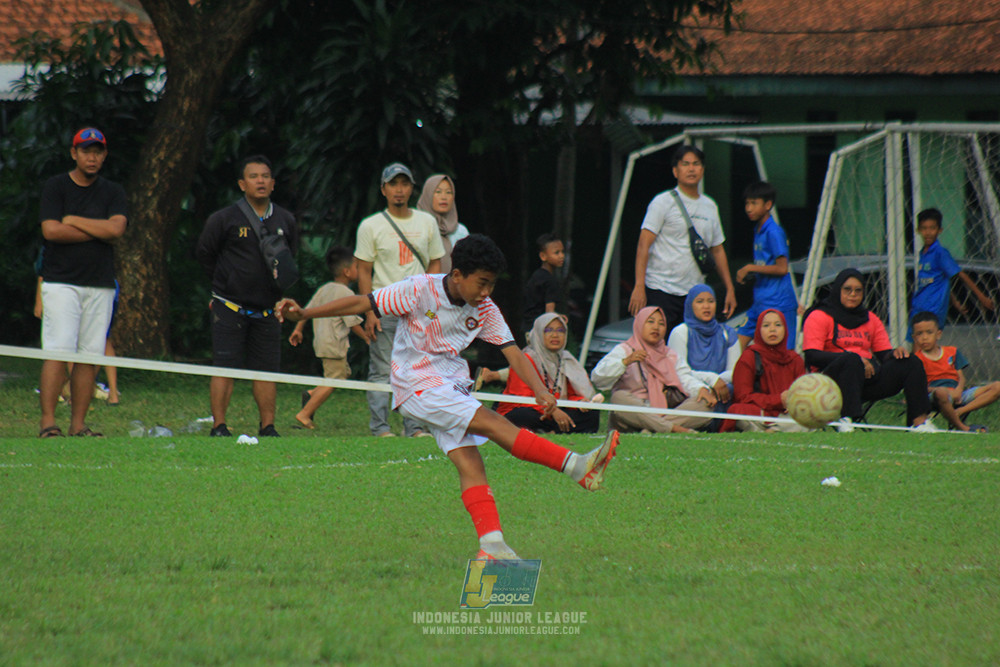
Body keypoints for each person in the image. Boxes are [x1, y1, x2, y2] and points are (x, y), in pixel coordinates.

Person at [276, 234, 619, 560]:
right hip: (416, 384)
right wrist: (305, 314)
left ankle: (492, 546)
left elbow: (513, 352)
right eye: (481, 283)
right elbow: (362, 302)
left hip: (452, 385)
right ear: (457, 275)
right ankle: (576, 466)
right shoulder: (418, 289)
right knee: (494, 422)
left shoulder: (485, 309)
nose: (486, 291)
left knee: (471, 462)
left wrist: (542, 391)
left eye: (492, 284)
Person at [195, 155, 299, 438]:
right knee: (224, 366)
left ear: (273, 183)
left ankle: (268, 426)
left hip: (267, 309)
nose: (260, 181)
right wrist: (223, 286)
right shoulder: (224, 219)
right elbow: (205, 253)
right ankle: (219, 426)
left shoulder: (286, 220)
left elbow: (289, 259)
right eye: (253, 177)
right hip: (229, 306)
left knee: (266, 370)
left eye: (265, 176)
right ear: (242, 184)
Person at [37, 127, 127, 438]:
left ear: (104, 155)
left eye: (97, 151)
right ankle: (48, 422)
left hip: (100, 284)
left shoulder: (113, 192)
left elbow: (116, 230)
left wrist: (74, 221)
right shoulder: (56, 187)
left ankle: (78, 424)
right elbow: (51, 231)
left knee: (90, 355)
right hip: (61, 282)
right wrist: (99, 231)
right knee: (58, 351)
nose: (92, 157)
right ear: (74, 153)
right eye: (86, 151)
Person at [355, 163, 445, 437]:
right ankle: (380, 428)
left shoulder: (427, 222)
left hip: (417, 309)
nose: (399, 190)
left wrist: (428, 301)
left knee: (416, 369)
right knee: (382, 369)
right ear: (383, 189)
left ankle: (415, 427)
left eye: (405, 184)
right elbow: (364, 270)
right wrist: (369, 311)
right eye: (393, 184)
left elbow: (436, 262)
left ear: (412, 189)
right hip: (383, 307)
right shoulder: (370, 225)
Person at [801, 268, 935, 431]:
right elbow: (812, 355)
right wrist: (855, 358)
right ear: (837, 290)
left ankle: (919, 422)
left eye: (858, 291)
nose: (853, 294)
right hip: (831, 382)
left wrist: (895, 353)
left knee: (910, 361)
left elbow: (883, 354)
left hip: (866, 379)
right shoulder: (819, 316)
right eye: (847, 289)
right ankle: (847, 419)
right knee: (851, 359)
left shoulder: (870, 319)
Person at [629, 144, 736, 333]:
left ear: (702, 169)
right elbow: (643, 245)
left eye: (696, 164)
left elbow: (717, 249)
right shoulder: (662, 202)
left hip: (694, 293)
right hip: (660, 289)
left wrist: (730, 288)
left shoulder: (710, 206)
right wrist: (639, 286)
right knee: (658, 343)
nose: (691, 168)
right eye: (685, 164)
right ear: (675, 171)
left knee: (690, 346)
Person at [591, 306, 715, 433]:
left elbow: (685, 377)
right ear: (639, 324)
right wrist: (625, 362)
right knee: (619, 397)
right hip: (633, 415)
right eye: (650, 322)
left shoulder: (669, 355)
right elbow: (598, 378)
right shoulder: (625, 350)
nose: (656, 327)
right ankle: (672, 428)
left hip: (665, 410)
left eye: (661, 324)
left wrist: (700, 389)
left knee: (704, 403)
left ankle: (653, 429)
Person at [288, 246, 370, 430]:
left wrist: (298, 329)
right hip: (334, 343)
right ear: (347, 272)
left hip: (322, 342)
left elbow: (306, 311)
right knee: (335, 379)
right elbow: (352, 322)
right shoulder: (346, 294)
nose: (359, 271)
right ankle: (304, 414)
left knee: (342, 373)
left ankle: (312, 394)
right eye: (356, 267)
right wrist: (366, 337)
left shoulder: (324, 289)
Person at [496, 313, 602, 434]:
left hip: (555, 410)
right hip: (531, 408)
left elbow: (570, 395)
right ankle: (555, 429)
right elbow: (522, 398)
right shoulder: (525, 359)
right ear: (538, 334)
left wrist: (579, 402)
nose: (555, 335)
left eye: (560, 330)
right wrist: (552, 411)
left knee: (591, 414)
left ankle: (549, 430)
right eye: (548, 330)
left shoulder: (566, 360)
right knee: (523, 415)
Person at [909, 207, 994, 339]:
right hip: (919, 305)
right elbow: (939, 279)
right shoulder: (923, 253)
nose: (928, 232)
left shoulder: (940, 253)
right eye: (924, 228)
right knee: (916, 345)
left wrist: (981, 297)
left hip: (933, 309)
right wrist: (954, 301)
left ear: (940, 230)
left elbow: (961, 274)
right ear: (918, 230)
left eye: (932, 228)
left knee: (924, 344)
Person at [734, 181, 799, 349]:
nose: (749, 208)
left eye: (754, 203)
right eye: (747, 203)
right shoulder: (758, 229)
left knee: (784, 353)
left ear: (768, 205)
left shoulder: (773, 232)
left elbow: (782, 268)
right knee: (736, 346)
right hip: (760, 300)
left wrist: (750, 268)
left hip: (778, 302)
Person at [722, 309, 810, 432]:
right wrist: (778, 400)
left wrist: (793, 403)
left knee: (808, 415)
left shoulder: (795, 359)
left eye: (778, 325)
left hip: (787, 414)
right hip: (760, 412)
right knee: (738, 411)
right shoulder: (749, 356)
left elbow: (803, 394)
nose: (772, 330)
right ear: (759, 330)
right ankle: (778, 429)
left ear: (785, 329)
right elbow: (743, 397)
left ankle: (774, 430)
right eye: (766, 325)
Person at [911, 311, 999, 433]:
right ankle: (961, 426)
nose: (924, 337)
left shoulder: (952, 352)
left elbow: (961, 377)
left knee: (997, 386)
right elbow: (917, 387)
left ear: (938, 334)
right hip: (935, 396)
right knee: (941, 393)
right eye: (920, 334)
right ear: (914, 338)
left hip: (958, 393)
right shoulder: (915, 360)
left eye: (929, 332)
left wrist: (958, 391)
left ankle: (959, 412)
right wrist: (946, 392)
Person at [667, 284, 740, 406]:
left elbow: (735, 371)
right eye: (700, 301)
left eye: (711, 301)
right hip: (691, 391)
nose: (706, 306)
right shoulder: (680, 332)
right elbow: (679, 373)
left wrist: (718, 382)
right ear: (690, 305)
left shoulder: (727, 333)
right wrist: (712, 380)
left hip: (723, 389)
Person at [416, 174, 468, 274]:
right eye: (438, 192)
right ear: (428, 195)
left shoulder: (460, 231)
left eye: (448, 192)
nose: (444, 197)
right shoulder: (416, 226)